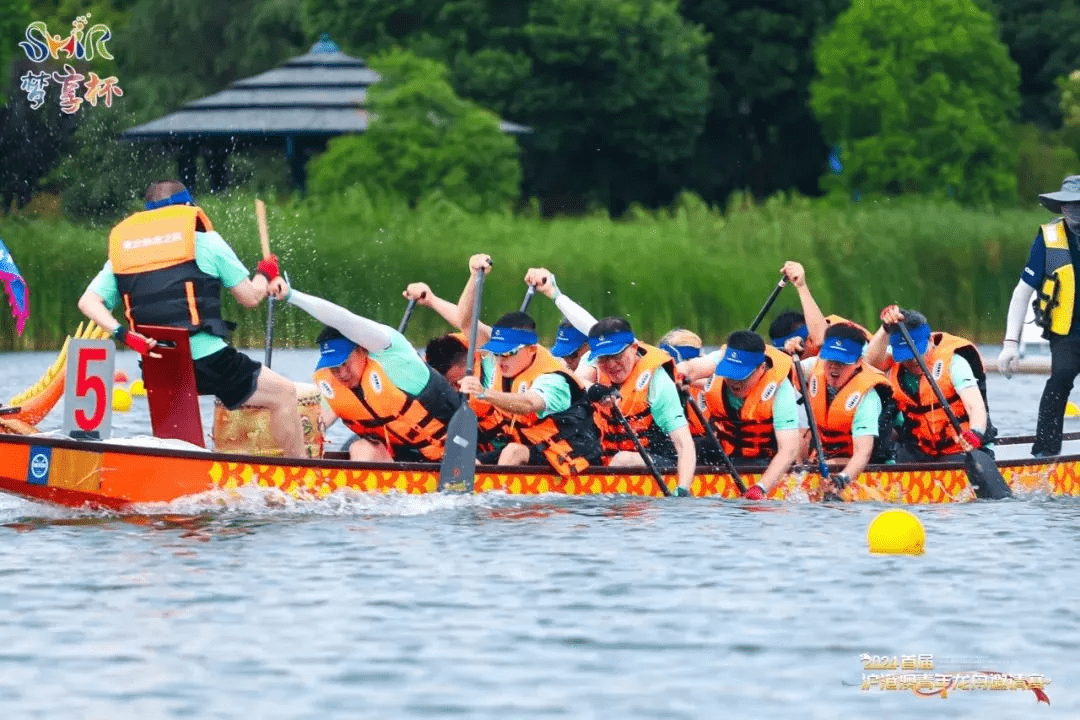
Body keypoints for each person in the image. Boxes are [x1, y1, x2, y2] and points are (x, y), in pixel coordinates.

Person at [77, 180, 305, 457]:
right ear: (188, 207)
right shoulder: (206, 242)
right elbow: (250, 297)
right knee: (284, 394)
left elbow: (88, 302)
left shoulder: (124, 256)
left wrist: (123, 335)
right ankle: (300, 473)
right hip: (208, 362)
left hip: (156, 363)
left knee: (179, 435)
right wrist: (266, 273)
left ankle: (186, 466)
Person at [523, 267, 696, 494]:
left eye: (617, 356)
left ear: (634, 349)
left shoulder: (657, 382)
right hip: (607, 461)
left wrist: (682, 488)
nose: (611, 365)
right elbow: (573, 378)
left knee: (622, 459)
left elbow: (684, 444)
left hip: (662, 461)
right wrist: (554, 293)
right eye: (604, 358)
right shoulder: (594, 363)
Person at [268, 277, 461, 462]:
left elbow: (344, 319)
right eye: (334, 368)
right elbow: (311, 428)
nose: (342, 374)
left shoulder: (390, 352)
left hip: (462, 449)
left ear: (362, 349)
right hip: (402, 459)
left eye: (345, 363)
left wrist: (291, 295)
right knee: (361, 448)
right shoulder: (332, 387)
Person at [457, 310, 601, 475]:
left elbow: (529, 403)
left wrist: (484, 392)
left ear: (531, 349)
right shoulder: (507, 367)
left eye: (507, 352)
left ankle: (498, 498)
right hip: (538, 449)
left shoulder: (553, 380)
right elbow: (466, 321)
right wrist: (433, 299)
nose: (500, 359)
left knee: (513, 451)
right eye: (496, 353)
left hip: (573, 457)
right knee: (471, 462)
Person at [998, 175, 1080, 457]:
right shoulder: (1048, 239)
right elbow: (1022, 292)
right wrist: (1010, 344)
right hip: (1067, 331)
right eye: (1069, 207)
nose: (1075, 213)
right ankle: (1045, 453)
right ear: (1061, 209)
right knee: (1062, 376)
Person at [680, 330, 800, 499]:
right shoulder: (723, 356)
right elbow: (691, 367)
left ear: (761, 369)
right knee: (678, 450)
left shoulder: (780, 389)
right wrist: (680, 373)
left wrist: (761, 487)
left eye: (741, 376)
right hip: (724, 449)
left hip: (763, 460)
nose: (734, 382)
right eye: (730, 373)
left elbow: (789, 450)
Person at [867, 306, 992, 462]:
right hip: (920, 449)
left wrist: (975, 433)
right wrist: (885, 328)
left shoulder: (954, 363)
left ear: (931, 340)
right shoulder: (893, 362)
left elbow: (975, 406)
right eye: (906, 356)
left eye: (918, 353)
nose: (912, 361)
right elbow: (869, 363)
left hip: (963, 449)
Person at [792, 323, 897, 494]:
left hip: (866, 462)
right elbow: (777, 373)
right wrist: (793, 350)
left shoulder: (867, 396)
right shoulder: (814, 366)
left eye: (842, 362)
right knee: (798, 439)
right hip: (823, 457)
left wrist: (842, 479)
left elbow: (863, 453)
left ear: (858, 362)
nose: (834, 367)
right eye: (830, 360)